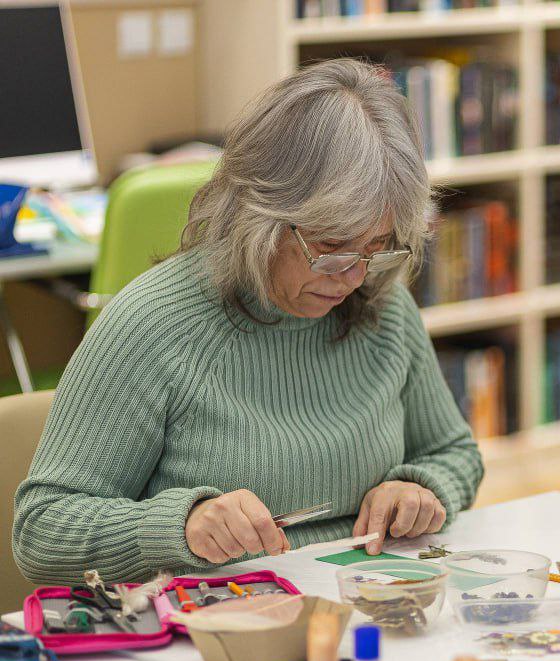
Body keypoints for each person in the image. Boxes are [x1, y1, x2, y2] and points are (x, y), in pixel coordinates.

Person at [13, 59, 483, 585]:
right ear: (257, 216)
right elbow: (42, 532)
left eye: (377, 247)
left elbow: (454, 453)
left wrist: (422, 489)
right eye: (331, 246)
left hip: (366, 600)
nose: (353, 276)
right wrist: (180, 526)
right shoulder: (154, 325)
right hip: (219, 617)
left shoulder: (382, 305)